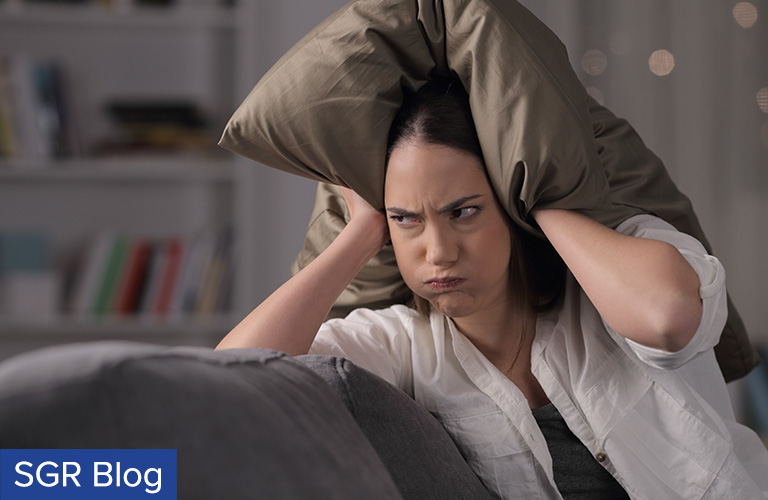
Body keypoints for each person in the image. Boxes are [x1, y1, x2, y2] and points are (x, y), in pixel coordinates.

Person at [217, 78, 768, 499]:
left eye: (464, 211)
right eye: (407, 218)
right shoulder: (402, 342)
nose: (438, 252)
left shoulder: (624, 258)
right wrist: (361, 232)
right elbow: (233, 383)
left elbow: (669, 319)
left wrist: (537, 196)